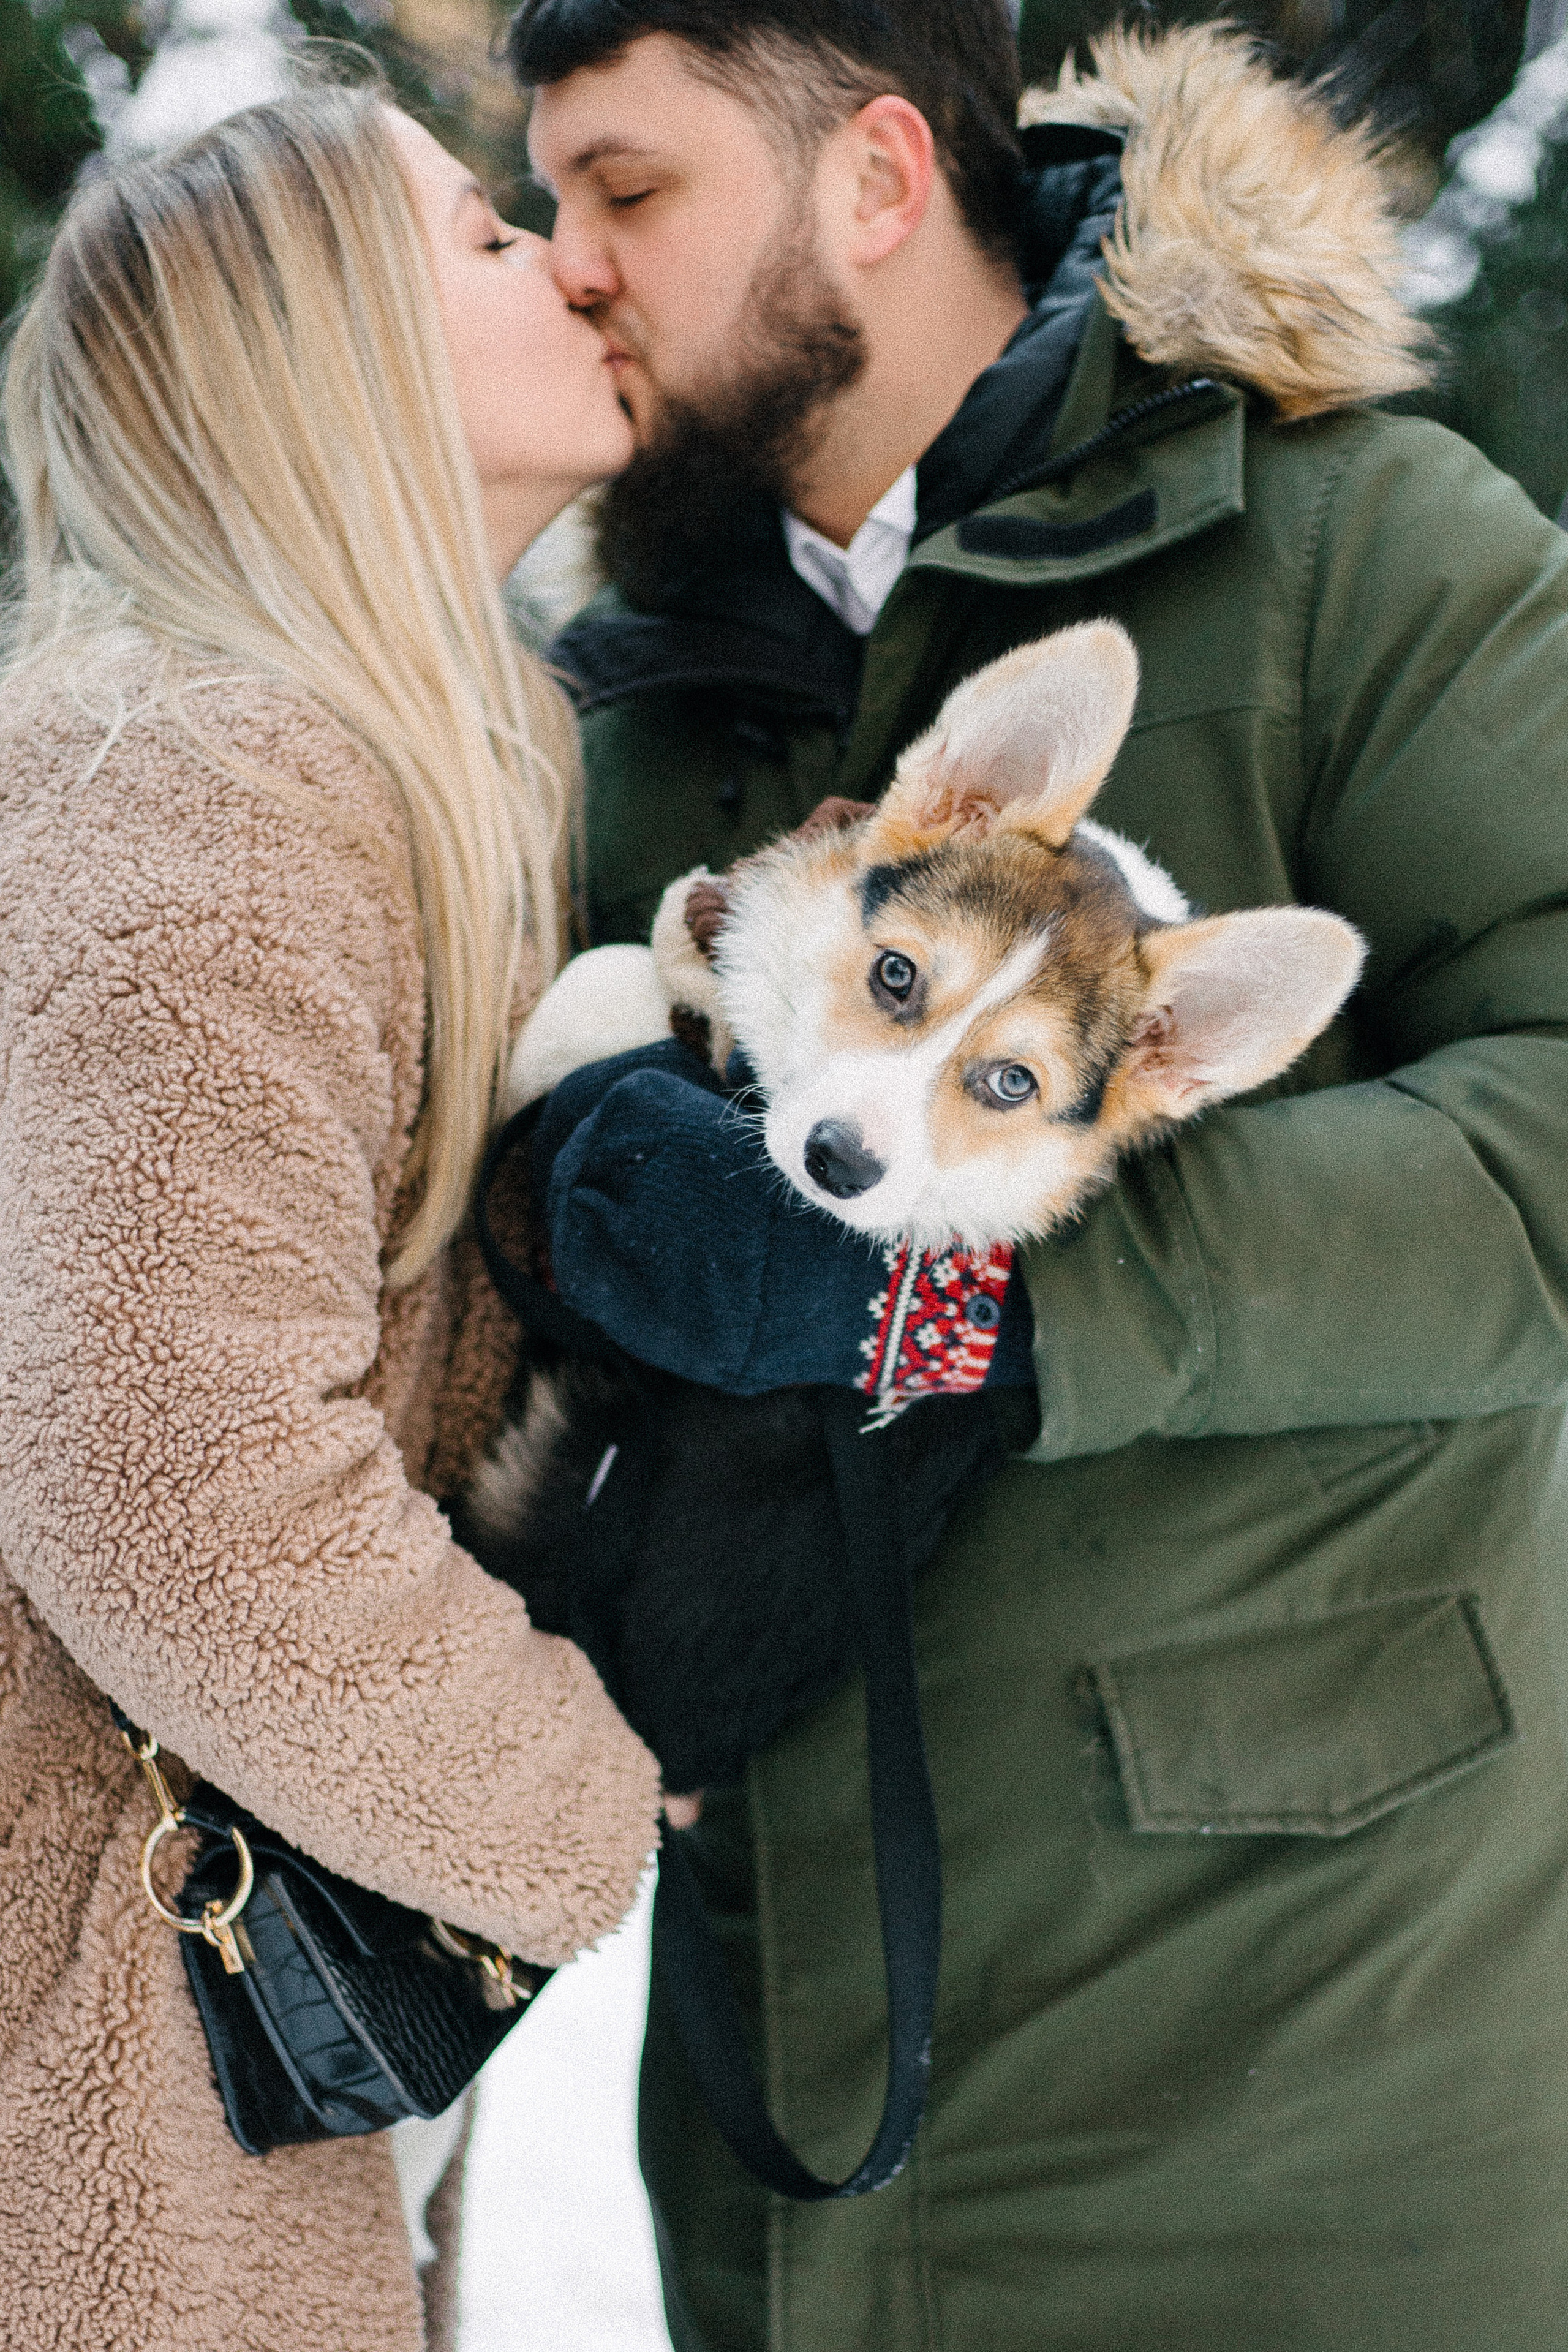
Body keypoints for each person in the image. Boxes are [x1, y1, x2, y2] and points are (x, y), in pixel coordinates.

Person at [510, 6, 1568, 2348]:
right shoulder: (636, 688)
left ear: (878, 178)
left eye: (629, 190)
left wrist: (993, 1304)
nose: (563, 261)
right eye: (548, 194)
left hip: (1310, 2075)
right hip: (798, 2107)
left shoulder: (1353, 550)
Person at [0, 74, 671, 2352]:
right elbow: (169, 1475)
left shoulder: (304, 766)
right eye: (487, 241)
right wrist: (575, 1790)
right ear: (333, 366)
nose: (572, 258)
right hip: (82, 2065)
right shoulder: (212, 785)